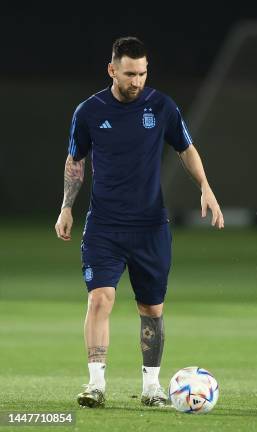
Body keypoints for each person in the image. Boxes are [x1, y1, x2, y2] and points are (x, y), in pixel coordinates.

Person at [54, 36, 224, 408]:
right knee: (100, 299)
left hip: (150, 228)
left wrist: (206, 187)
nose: (137, 81)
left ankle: (151, 389)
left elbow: (186, 148)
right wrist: (67, 206)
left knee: (151, 309)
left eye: (143, 73)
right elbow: (75, 160)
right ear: (112, 70)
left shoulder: (161, 106)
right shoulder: (89, 111)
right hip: (104, 227)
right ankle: (95, 385)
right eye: (130, 74)